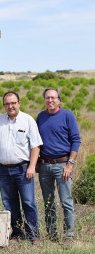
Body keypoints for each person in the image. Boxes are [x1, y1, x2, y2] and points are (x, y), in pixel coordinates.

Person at [0, 91, 43, 245]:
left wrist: (31, 166)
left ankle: (33, 235)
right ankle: (17, 234)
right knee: (10, 204)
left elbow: (36, 146)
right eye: (7, 103)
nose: (10, 106)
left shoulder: (28, 120)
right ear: (4, 105)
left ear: (19, 103)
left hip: (23, 169)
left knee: (28, 202)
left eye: (13, 103)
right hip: (3, 170)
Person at [36, 87, 81, 244]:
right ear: (44, 100)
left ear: (59, 99)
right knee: (48, 202)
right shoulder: (40, 117)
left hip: (63, 165)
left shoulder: (67, 115)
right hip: (44, 165)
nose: (50, 100)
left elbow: (76, 140)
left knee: (66, 201)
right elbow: (36, 142)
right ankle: (52, 234)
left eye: (53, 98)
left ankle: (69, 235)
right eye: (47, 98)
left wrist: (70, 164)